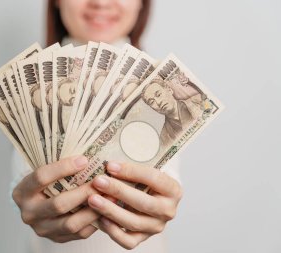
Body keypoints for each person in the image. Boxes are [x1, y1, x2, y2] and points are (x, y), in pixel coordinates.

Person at [11, 0, 182, 251]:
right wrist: (23, 199)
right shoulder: (30, 85)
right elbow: (20, 178)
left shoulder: (159, 88)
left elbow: (170, 175)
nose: (100, 2)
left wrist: (165, 201)